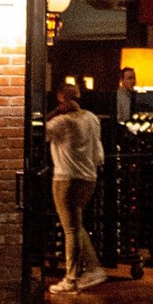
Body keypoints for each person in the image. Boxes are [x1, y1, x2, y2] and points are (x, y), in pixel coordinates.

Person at [44, 82, 106, 293]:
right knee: (76, 226)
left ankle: (71, 279)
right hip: (89, 177)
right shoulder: (92, 118)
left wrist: (53, 112)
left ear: (62, 99)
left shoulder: (62, 122)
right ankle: (94, 269)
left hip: (66, 178)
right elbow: (98, 152)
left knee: (70, 229)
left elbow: (37, 128)